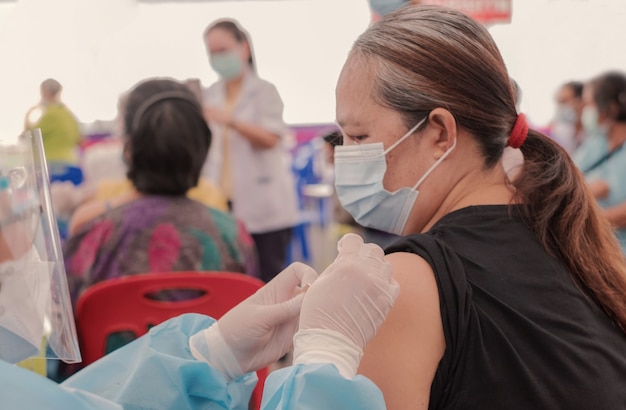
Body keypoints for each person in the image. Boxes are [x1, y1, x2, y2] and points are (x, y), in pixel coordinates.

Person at [332, 5, 626, 409]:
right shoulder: (563, 234)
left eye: (359, 136)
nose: (344, 157)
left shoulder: (405, 284)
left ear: (440, 132)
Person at [0, 138, 399, 408]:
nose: (25, 243)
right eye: (9, 219)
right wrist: (327, 361)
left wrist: (211, 355)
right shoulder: (229, 227)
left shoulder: (93, 227)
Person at [63, 78, 259, 308]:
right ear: (202, 148)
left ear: (128, 149)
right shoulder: (233, 236)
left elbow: (68, 323)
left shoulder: (93, 229)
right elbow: (250, 319)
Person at [202, 18, 299, 283]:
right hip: (222, 202)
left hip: (264, 207)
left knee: (270, 283)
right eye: (212, 53)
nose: (217, 58)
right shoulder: (210, 95)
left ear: (243, 47)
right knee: (233, 282)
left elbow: (270, 138)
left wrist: (230, 120)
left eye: (223, 50)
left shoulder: (265, 91)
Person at [573, 71, 626, 254]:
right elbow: (569, 182)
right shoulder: (595, 144)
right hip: (595, 256)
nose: (581, 109)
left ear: (610, 108)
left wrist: (582, 219)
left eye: (588, 104)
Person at [24, 78, 82, 164]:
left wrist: (28, 113)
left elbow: (31, 136)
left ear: (47, 93)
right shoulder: (68, 115)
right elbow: (78, 139)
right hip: (70, 162)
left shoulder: (50, 115)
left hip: (51, 164)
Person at [550, 80, 586, 153]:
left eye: (563, 102)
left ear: (581, 102)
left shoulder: (595, 134)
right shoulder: (559, 131)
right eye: (558, 102)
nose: (560, 107)